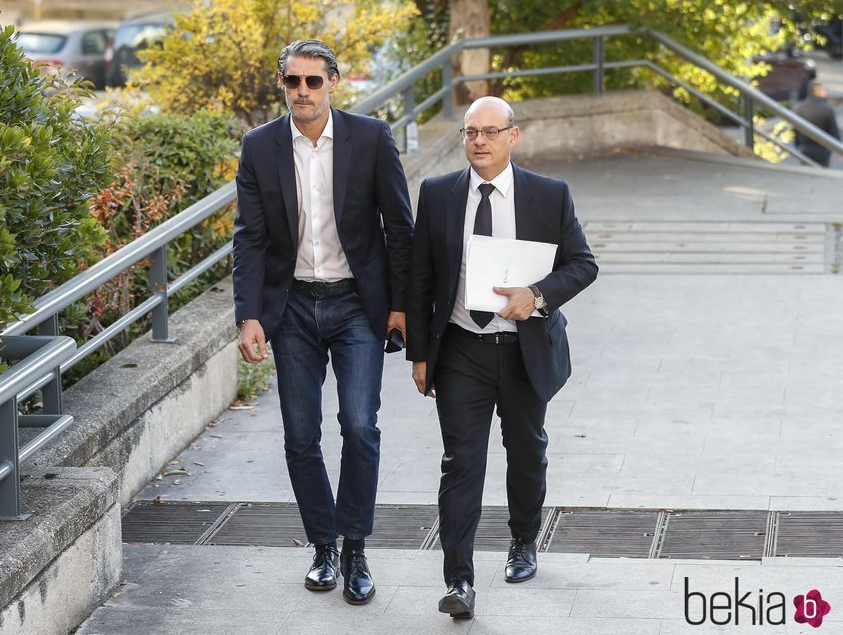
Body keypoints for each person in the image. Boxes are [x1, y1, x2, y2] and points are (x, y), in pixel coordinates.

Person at [232, 39, 414, 605]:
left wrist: (401, 306)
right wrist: (250, 316)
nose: (303, 92)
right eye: (293, 82)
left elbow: (400, 228)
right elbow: (251, 239)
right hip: (292, 311)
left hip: (357, 305)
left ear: (333, 82)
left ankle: (356, 545)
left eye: (313, 81)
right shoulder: (259, 147)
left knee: (360, 426)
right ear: (281, 85)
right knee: (300, 435)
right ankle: (323, 546)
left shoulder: (371, 138)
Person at [405, 96, 597, 619]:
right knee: (460, 464)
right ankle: (459, 580)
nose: (480, 141)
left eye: (490, 132)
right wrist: (419, 355)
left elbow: (583, 265)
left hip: (523, 350)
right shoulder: (439, 193)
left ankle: (523, 541)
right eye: (471, 133)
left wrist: (535, 296)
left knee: (526, 451)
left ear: (514, 136)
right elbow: (420, 279)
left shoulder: (549, 195)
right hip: (461, 349)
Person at [793, 80, 840, 167]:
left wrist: (798, 146)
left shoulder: (800, 108)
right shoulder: (827, 109)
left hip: (804, 148)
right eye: (824, 90)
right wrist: (840, 150)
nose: (826, 92)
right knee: (821, 173)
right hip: (823, 150)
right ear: (819, 91)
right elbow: (834, 131)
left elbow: (795, 131)